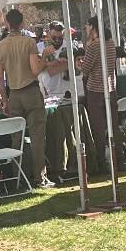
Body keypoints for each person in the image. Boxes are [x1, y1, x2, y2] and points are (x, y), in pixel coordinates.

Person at [0, 8, 52, 188]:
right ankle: (39, 177)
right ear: (22, 23)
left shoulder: (0, 46)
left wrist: (4, 99)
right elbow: (35, 70)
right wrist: (44, 56)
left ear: (6, 23)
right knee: (37, 137)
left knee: (16, 138)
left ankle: (18, 178)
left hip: (14, 94)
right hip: (31, 92)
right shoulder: (28, 42)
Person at [38, 21, 86, 184]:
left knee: (75, 132)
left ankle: (77, 165)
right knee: (57, 136)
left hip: (70, 95)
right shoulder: (42, 48)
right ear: (48, 34)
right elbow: (50, 71)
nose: (57, 40)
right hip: (51, 96)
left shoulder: (70, 46)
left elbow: (79, 68)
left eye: (60, 37)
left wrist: (64, 64)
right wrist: (67, 64)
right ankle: (59, 168)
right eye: (54, 37)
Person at [77, 16, 119, 174]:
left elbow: (86, 69)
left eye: (87, 25)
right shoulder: (111, 43)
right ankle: (118, 159)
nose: (86, 28)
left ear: (93, 27)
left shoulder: (94, 46)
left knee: (98, 129)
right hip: (111, 88)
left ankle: (101, 162)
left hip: (95, 91)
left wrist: (78, 64)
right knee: (114, 126)